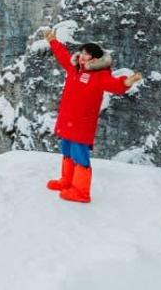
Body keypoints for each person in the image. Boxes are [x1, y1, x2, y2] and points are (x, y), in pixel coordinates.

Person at [41, 28, 142, 203]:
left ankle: (81, 191)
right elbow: (63, 55)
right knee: (66, 150)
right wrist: (53, 41)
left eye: (85, 55)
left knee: (80, 155)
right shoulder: (74, 68)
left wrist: (126, 82)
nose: (81, 56)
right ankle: (67, 181)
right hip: (67, 120)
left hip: (82, 123)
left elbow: (114, 85)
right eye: (81, 53)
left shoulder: (99, 76)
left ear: (94, 59)